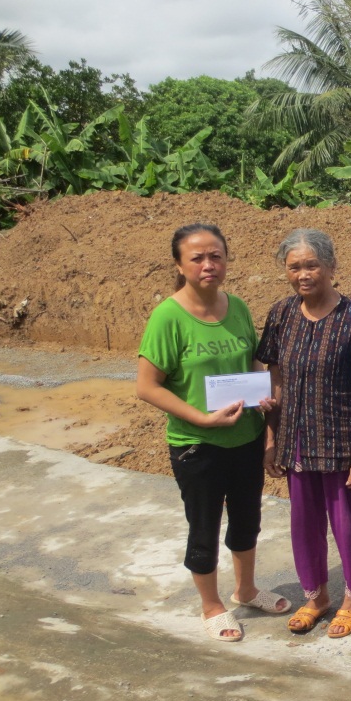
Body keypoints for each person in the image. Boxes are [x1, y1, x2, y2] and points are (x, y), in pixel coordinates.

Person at [137, 223, 290, 643]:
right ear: (179, 265)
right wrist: (201, 419)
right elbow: (147, 386)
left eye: (216, 256)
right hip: (197, 445)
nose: (209, 265)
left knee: (247, 520)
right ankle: (211, 605)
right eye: (198, 258)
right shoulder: (168, 317)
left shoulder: (236, 307)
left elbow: (253, 364)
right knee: (203, 526)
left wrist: (263, 395)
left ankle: (246, 589)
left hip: (246, 437)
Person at [257, 229, 351, 639]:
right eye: (294, 267)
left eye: (311, 265)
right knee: (303, 523)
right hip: (296, 441)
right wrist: (271, 440)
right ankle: (316, 595)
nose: (303, 274)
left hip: (342, 442)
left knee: (347, 524)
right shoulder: (282, 314)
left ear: (330, 266)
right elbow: (271, 373)